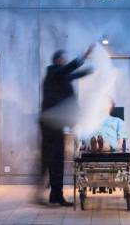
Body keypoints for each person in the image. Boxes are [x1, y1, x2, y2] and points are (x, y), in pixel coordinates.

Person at [39, 44, 94, 206]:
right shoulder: (53, 72)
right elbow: (69, 69)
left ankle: (56, 196)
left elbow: (74, 74)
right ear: (57, 60)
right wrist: (84, 56)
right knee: (53, 160)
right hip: (49, 123)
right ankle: (52, 194)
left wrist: (90, 70)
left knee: (58, 160)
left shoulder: (61, 76)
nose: (65, 61)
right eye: (63, 59)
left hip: (56, 123)